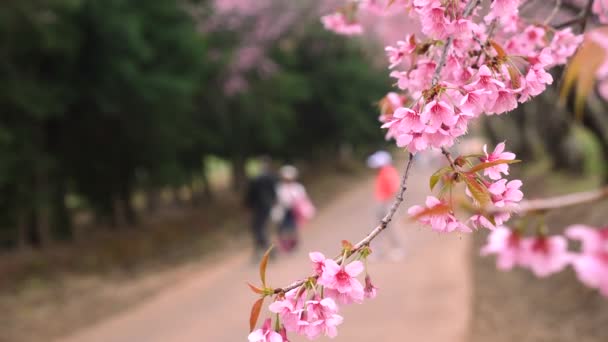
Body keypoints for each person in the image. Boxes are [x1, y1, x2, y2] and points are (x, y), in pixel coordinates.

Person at [366, 150, 405, 260]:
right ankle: (376, 251)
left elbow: (394, 188)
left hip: (387, 202)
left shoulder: (388, 172)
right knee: (377, 227)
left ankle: (398, 249)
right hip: (381, 202)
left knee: (393, 227)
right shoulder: (382, 172)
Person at [275, 165, 315, 253]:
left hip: (294, 211)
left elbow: (302, 198)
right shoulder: (280, 188)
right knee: (283, 229)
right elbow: (279, 199)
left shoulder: (297, 187)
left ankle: (292, 243)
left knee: (293, 228)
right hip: (284, 211)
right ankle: (285, 244)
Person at [244, 157, 278, 260]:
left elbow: (250, 194)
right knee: (261, 228)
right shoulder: (272, 177)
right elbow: (274, 192)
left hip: (258, 207)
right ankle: (264, 251)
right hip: (267, 206)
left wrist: (247, 205)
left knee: (259, 229)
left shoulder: (255, 179)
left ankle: (266, 251)